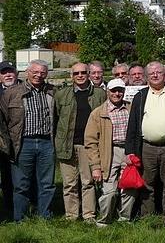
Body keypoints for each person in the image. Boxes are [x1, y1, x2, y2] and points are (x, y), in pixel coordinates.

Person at [124, 61, 165, 226]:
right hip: (147, 147)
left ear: (164, 75)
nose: (155, 76)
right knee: (147, 183)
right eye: (152, 74)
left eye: (158, 73)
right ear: (147, 77)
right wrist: (130, 150)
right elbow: (133, 125)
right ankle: (147, 215)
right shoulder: (140, 96)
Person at [0, 60, 57, 221]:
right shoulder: (12, 93)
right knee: (21, 185)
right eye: (35, 72)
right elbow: (2, 120)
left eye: (42, 73)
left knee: (47, 183)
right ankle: (21, 218)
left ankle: (45, 216)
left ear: (46, 74)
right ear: (27, 72)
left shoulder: (52, 91)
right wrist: (6, 144)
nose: (38, 75)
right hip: (23, 143)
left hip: (46, 142)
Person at [54, 62, 107, 221]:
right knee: (69, 184)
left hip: (88, 145)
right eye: (76, 73)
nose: (80, 75)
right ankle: (71, 215)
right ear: (71, 76)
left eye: (83, 72)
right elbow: (56, 118)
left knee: (88, 182)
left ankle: (89, 215)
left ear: (88, 74)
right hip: (67, 144)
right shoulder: (62, 94)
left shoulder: (99, 94)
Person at [84, 78, 138, 226]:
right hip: (109, 152)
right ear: (107, 92)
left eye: (120, 90)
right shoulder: (98, 113)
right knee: (109, 190)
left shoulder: (131, 109)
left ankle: (125, 219)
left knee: (129, 187)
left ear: (124, 92)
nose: (117, 93)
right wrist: (95, 166)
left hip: (128, 152)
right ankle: (105, 220)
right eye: (113, 90)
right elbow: (90, 141)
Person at [0, 60, 20, 213]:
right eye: (3, 72)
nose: (8, 75)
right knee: (6, 174)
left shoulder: (25, 89)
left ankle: (26, 203)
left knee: (23, 174)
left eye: (10, 71)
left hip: (21, 137)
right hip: (2, 138)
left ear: (16, 73)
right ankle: (8, 205)